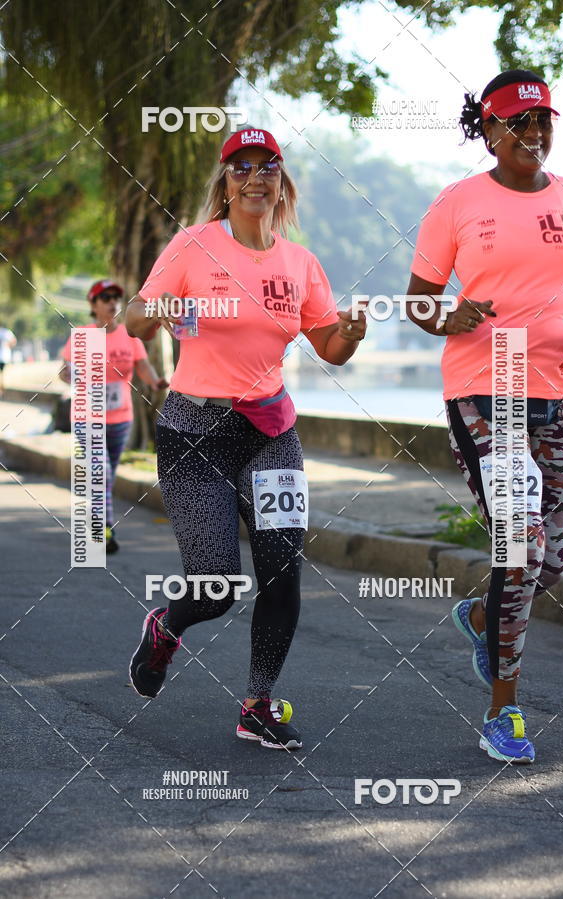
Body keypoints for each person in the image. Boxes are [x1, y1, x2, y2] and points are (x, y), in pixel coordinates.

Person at [125, 126, 366, 749]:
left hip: (269, 432)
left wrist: (354, 332)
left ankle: (258, 703)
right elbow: (132, 317)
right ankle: (166, 629)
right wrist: (160, 311)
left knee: (282, 576)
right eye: (241, 168)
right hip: (194, 435)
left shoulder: (301, 263)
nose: (255, 178)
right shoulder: (193, 245)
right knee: (214, 583)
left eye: (268, 167)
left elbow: (330, 348)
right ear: (225, 183)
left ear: (281, 182)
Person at [406, 70, 563, 764]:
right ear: (488, 130)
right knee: (518, 546)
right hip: (486, 385)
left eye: (543, 119)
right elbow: (418, 300)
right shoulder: (458, 203)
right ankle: (504, 709)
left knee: (550, 557)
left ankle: (483, 619)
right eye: (518, 122)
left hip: (557, 389)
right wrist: (448, 315)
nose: (534, 133)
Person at [60, 279, 168, 552]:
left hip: (121, 419)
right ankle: (103, 531)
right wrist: (75, 376)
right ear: (93, 304)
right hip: (87, 418)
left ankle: (98, 523)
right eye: (105, 297)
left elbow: (142, 366)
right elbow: (64, 370)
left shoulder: (128, 336)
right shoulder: (82, 335)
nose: (112, 302)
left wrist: (156, 383)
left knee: (106, 473)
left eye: (116, 298)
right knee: (102, 472)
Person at [0, 325, 17, 396]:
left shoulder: (6, 332)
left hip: (4, 357)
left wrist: (8, 345)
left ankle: (2, 390)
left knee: (2, 374)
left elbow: (14, 341)